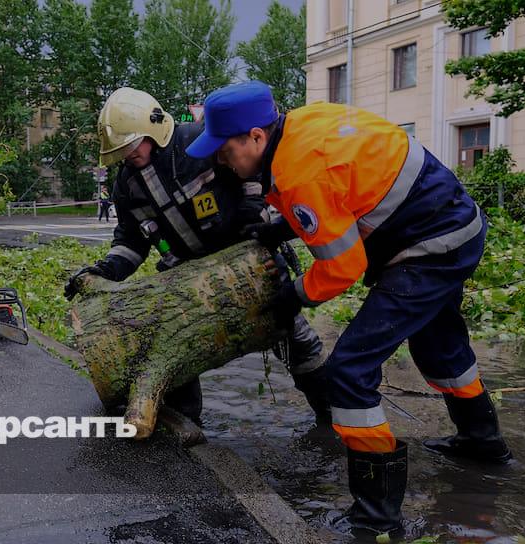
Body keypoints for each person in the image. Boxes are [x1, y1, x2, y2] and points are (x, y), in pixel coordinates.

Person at [186, 80, 512, 537]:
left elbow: (343, 267)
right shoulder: (301, 124)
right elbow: (341, 191)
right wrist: (283, 228)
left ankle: (376, 516)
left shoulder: (300, 172)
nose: (222, 161)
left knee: (349, 371)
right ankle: (483, 442)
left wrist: (294, 295)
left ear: (256, 137)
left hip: (431, 246)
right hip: (453, 225)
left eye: (225, 150)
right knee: (440, 347)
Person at [64, 87, 327, 426]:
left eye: (132, 146)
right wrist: (105, 271)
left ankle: (332, 414)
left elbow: (252, 165)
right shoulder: (127, 186)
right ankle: (185, 433)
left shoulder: (197, 143)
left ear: (153, 127)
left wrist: (255, 208)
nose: (128, 155)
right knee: (173, 354)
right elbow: (130, 241)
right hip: (187, 286)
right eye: (121, 151)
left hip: (246, 267)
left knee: (297, 339)